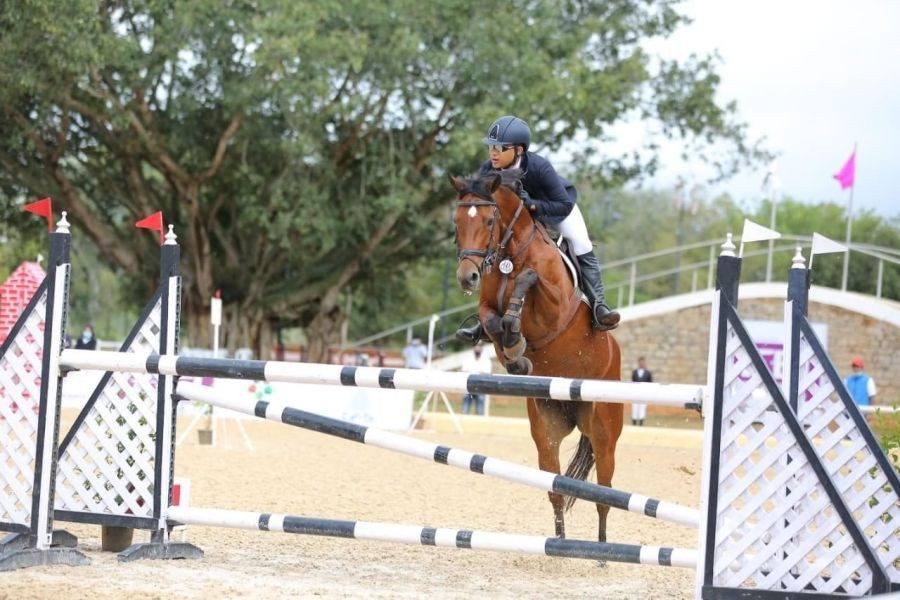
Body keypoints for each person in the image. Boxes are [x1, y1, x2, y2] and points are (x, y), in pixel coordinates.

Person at [457, 115, 620, 344]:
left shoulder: (539, 167)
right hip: (517, 219)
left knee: (580, 243)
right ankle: (485, 319)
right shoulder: (487, 170)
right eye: (491, 147)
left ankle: (599, 305)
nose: (493, 153)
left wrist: (532, 203)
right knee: (496, 249)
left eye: (501, 148)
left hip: (555, 209)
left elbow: (563, 204)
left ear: (519, 150)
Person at [460, 343, 492, 415]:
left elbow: (486, 374)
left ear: (482, 349)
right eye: (476, 347)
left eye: (479, 347)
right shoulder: (467, 359)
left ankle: (479, 423)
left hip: (480, 387)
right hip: (468, 387)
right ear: (473, 348)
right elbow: (464, 372)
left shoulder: (486, 360)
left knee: (480, 410)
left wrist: (472, 373)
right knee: (465, 409)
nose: (477, 349)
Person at [631, 356, 652, 426]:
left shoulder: (648, 373)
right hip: (635, 392)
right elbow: (633, 381)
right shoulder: (635, 372)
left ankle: (641, 422)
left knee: (642, 407)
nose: (641, 364)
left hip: (644, 392)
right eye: (640, 362)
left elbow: (650, 383)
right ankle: (634, 421)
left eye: (642, 362)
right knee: (635, 407)